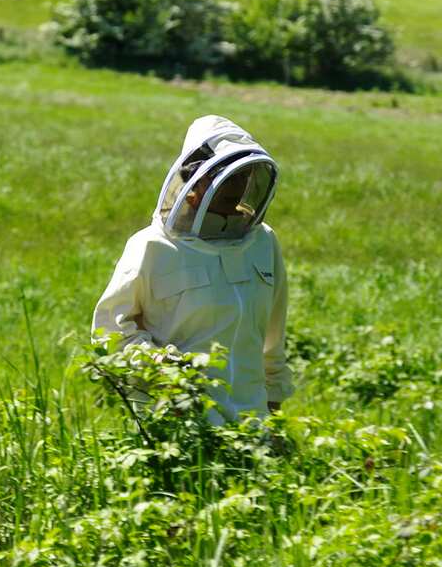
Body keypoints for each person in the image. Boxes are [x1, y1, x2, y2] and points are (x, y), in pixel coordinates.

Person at [91, 115, 292, 424]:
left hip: (251, 432)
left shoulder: (263, 242)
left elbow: (272, 341)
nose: (234, 187)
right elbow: (110, 331)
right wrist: (159, 365)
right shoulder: (151, 247)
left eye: (241, 177)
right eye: (223, 177)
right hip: (178, 428)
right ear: (193, 179)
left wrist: (275, 420)